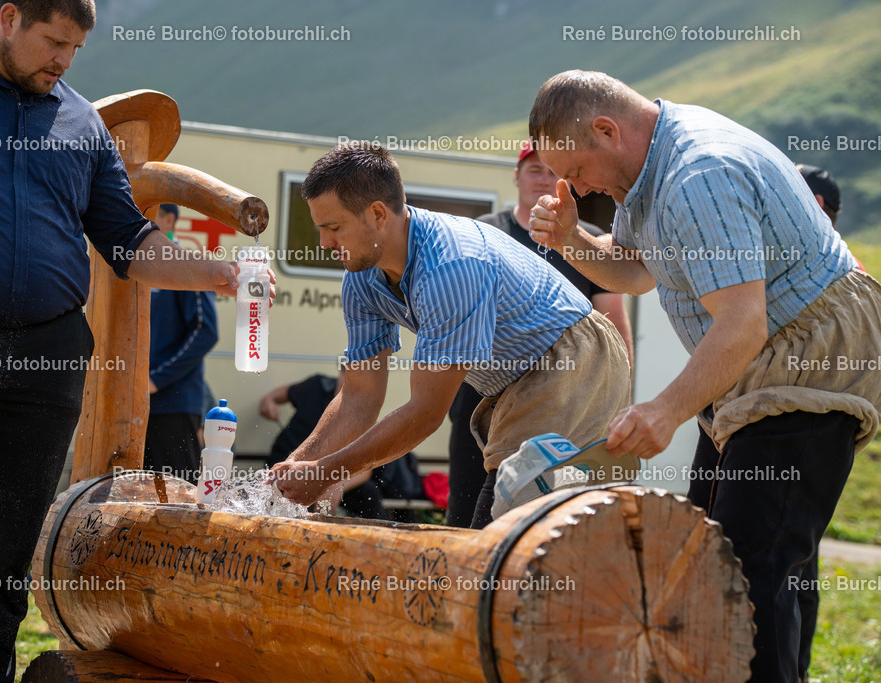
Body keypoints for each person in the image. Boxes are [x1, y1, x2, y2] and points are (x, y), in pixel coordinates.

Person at [0, 2, 250, 680]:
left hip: (44, 362)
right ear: (9, 16)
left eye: (75, 48)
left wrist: (219, 273)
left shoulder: (77, 121)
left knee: (4, 552)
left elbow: (129, 240)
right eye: (53, 42)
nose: (64, 61)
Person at [527, 69, 881, 682]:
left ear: (608, 130)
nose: (575, 188)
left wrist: (662, 411)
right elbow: (637, 270)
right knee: (709, 558)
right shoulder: (648, 171)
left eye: (576, 171)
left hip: (806, 361)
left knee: (751, 571)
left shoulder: (699, 175)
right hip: (758, 369)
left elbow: (741, 325)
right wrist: (569, 239)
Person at [271, 142, 631, 529]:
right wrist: (297, 467)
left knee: (502, 528)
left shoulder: (449, 265)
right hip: (513, 378)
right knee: (520, 524)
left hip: (573, 356)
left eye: (333, 228)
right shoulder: (360, 277)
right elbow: (359, 395)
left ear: (377, 214)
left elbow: (425, 413)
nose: (324, 243)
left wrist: (327, 472)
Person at [442, 146, 635, 527]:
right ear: (516, 176)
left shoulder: (588, 239)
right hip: (482, 394)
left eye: (551, 171)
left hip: (563, 397)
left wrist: (621, 401)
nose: (543, 179)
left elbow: (613, 324)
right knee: (465, 512)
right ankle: (461, 583)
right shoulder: (486, 231)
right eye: (533, 170)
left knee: (551, 512)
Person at [260, 368, 423, 520]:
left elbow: (364, 467)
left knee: (369, 493)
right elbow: (284, 393)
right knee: (279, 490)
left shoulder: (363, 409)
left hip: (332, 473)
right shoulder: (317, 385)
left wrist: (332, 484)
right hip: (286, 460)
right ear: (342, 373)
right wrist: (269, 400)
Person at [144, 204, 219, 483]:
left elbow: (205, 332)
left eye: (148, 213)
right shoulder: (129, 264)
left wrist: (156, 380)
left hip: (174, 405)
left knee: (178, 494)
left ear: (169, 219)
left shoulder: (186, 265)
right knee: (135, 494)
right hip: (133, 405)